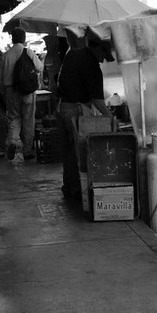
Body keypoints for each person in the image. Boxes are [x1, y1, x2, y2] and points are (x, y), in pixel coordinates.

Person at [55, 37, 113, 201]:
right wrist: (110, 117)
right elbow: (97, 100)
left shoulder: (73, 53)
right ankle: (77, 192)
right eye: (104, 54)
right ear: (98, 48)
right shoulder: (92, 65)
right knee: (79, 152)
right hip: (76, 110)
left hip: (62, 108)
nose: (103, 60)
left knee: (68, 152)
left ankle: (69, 188)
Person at [2, 27, 43, 163]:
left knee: (14, 118)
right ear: (24, 38)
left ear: (12, 38)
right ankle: (27, 150)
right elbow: (39, 67)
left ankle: (13, 142)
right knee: (28, 120)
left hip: (11, 91)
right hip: (27, 91)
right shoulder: (28, 52)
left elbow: (1, 76)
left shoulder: (6, 55)